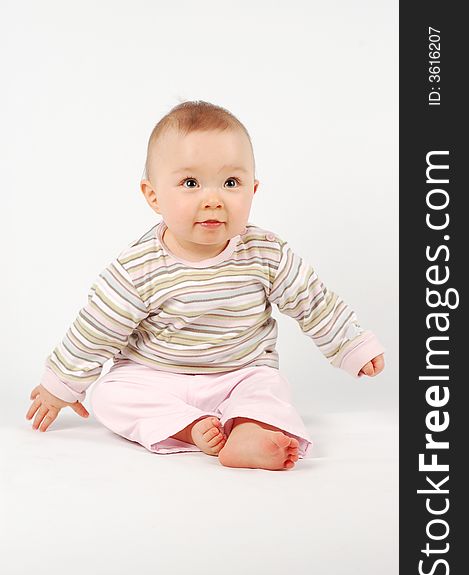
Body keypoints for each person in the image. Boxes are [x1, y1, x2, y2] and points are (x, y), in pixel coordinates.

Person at [26, 100, 386, 471]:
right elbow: (96, 330)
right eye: (190, 183)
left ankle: (249, 430)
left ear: (253, 190)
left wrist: (351, 344)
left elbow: (313, 301)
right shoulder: (137, 268)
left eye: (231, 183)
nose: (213, 200)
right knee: (111, 395)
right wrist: (61, 386)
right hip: (157, 375)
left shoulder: (265, 253)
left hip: (239, 372)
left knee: (269, 388)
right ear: (153, 196)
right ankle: (191, 429)